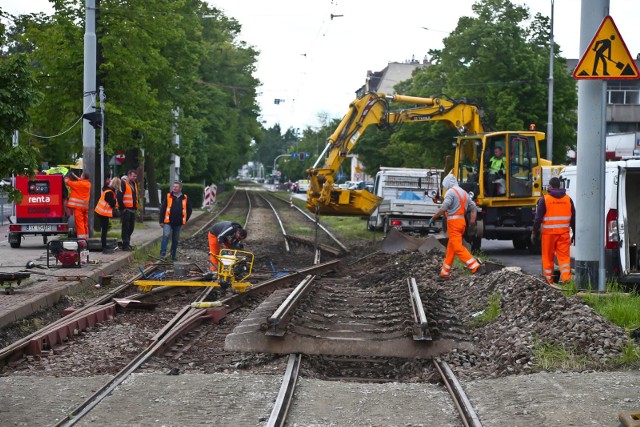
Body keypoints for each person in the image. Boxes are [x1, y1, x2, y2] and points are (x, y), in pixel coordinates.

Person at [428, 173, 485, 281]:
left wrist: (434, 217)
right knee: (451, 248)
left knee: (458, 248)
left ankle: (476, 267)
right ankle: (444, 274)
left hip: (453, 223)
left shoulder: (450, 192)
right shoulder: (464, 193)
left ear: (448, 184)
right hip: (462, 222)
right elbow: (474, 208)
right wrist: (472, 222)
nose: (445, 188)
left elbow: (444, 207)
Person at [532, 177, 576, 285]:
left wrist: (534, 231)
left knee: (548, 258)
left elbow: (538, 218)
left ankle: (548, 281)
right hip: (564, 234)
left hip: (549, 235)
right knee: (564, 258)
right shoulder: (568, 199)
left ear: (550, 186)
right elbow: (574, 218)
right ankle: (567, 279)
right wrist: (574, 232)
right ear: (559, 186)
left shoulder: (544, 199)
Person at [159, 182, 192, 261]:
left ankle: (173, 255)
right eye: (173, 186)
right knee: (166, 236)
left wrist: (185, 220)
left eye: (176, 187)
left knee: (175, 239)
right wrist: (161, 221)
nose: (174, 188)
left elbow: (189, 210)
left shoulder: (185, 197)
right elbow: (163, 209)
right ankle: (162, 253)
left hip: (178, 222)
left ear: (180, 188)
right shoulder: (168, 196)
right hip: (168, 221)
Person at [94, 177, 121, 253]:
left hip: (102, 213)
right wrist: (116, 200)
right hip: (103, 213)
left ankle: (104, 245)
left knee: (104, 230)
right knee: (104, 231)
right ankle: (104, 248)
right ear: (116, 185)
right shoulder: (109, 192)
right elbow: (112, 204)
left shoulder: (108, 191)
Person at [65, 171, 91, 239]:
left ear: (83, 176)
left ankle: (81, 239)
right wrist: (74, 175)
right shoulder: (88, 184)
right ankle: (86, 238)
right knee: (85, 223)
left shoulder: (78, 184)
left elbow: (68, 182)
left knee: (79, 223)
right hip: (85, 207)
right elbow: (80, 180)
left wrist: (66, 176)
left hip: (78, 207)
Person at [117, 169, 138, 251]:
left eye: (135, 176)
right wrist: (122, 208)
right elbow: (119, 196)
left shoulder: (134, 184)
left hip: (132, 209)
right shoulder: (123, 183)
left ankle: (126, 242)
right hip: (126, 209)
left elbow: (135, 196)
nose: (135, 178)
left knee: (131, 227)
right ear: (129, 175)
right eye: (133, 176)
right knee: (126, 227)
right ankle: (125, 244)